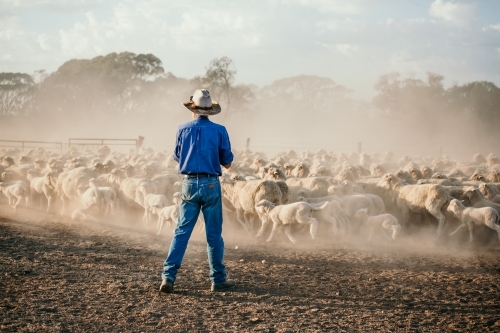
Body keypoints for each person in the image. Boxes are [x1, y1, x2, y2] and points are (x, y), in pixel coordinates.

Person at [159, 89, 235, 293]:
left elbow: (177, 156)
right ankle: (217, 279)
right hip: (211, 184)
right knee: (213, 235)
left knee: (181, 231)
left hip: (189, 183)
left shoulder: (182, 129)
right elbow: (227, 162)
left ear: (193, 109)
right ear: (210, 110)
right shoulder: (220, 130)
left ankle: (168, 277)